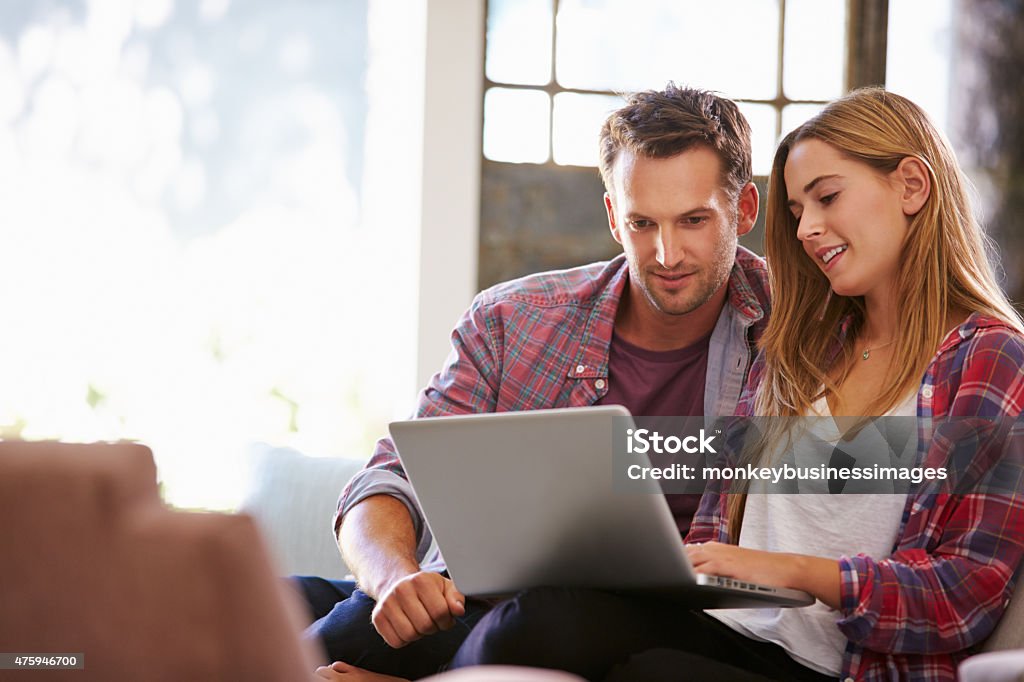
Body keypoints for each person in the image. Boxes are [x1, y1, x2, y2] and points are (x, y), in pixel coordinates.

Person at [449, 88, 1024, 681]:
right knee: (535, 621)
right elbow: (714, 529)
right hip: (726, 635)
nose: (806, 230)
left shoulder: (990, 358)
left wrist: (789, 570)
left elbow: (965, 593)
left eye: (827, 197)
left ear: (911, 186)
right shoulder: (799, 347)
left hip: (832, 668)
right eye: (798, 211)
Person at [294, 83, 769, 680]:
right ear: (613, 219)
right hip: (478, 597)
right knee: (303, 620)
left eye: (694, 220)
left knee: (534, 623)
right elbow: (391, 477)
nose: (666, 253)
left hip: (645, 625)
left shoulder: (794, 329)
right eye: (641, 222)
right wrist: (395, 576)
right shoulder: (512, 320)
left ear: (744, 210)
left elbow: (870, 463)